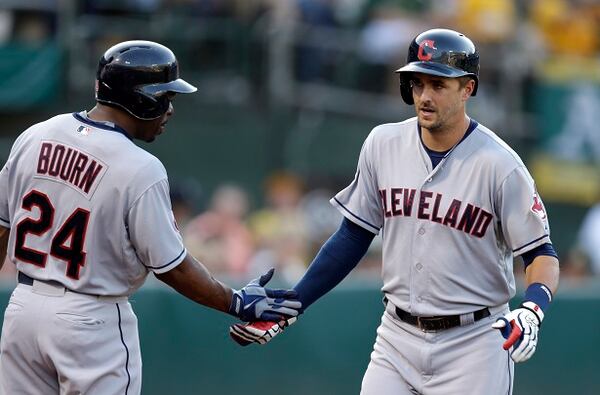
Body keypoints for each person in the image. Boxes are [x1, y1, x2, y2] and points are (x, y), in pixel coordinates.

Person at [230, 29, 560, 395]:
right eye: (417, 84)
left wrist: (532, 309)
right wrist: (296, 301)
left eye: (438, 84)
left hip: (475, 342)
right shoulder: (382, 143)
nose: (424, 96)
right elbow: (353, 235)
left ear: (467, 89)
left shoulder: (501, 166)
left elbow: (540, 253)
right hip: (397, 337)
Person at [0, 40, 301, 395]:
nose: (170, 110)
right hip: (90, 319)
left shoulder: (36, 135)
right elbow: (172, 267)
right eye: (167, 97)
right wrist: (234, 301)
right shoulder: (140, 167)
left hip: (23, 309)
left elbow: (2, 229)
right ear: (141, 98)